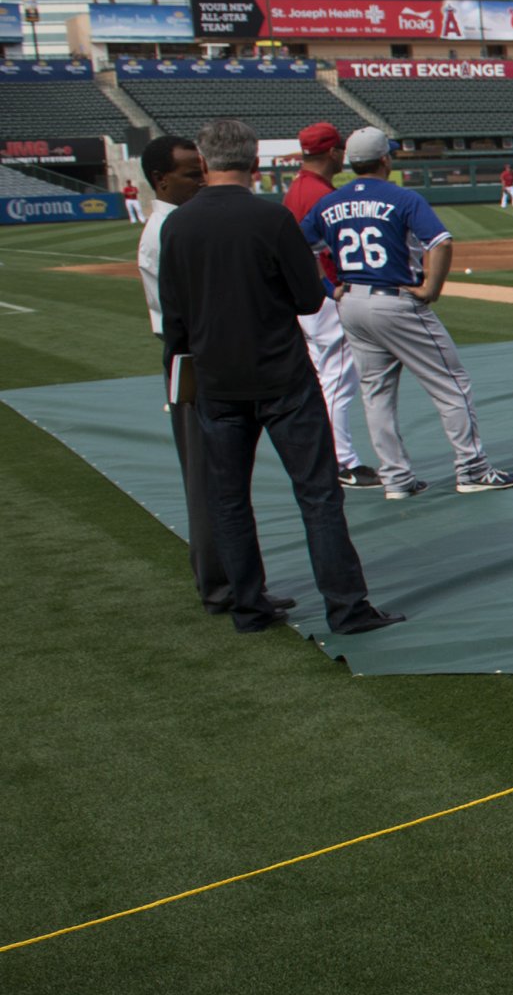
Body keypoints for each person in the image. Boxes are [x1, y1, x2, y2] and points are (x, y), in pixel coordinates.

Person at [154, 116, 396, 636]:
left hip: (217, 380)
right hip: (282, 374)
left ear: (203, 161)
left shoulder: (178, 224)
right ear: (255, 159)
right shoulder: (270, 219)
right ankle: (347, 607)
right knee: (317, 495)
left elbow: (174, 318)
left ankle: (249, 606)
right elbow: (309, 298)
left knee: (230, 498)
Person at [305, 127, 513, 497]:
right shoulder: (402, 197)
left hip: (352, 304)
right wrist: (431, 290)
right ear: (385, 160)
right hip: (395, 301)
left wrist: (329, 288)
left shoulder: (330, 202)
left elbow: (300, 246)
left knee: (376, 394)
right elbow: (440, 241)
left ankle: (396, 480)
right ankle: (472, 470)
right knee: (451, 384)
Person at [132, 133, 234, 613]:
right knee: (206, 480)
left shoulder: (182, 223)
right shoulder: (164, 231)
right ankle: (220, 585)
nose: (202, 180)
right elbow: (180, 319)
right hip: (192, 361)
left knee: (220, 478)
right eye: (191, 174)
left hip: (202, 356)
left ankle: (230, 579)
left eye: (202, 170)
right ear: (161, 179)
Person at [280, 120, 378, 489]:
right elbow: (317, 253)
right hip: (324, 299)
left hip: (310, 297)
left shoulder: (301, 186)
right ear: (333, 152)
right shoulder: (318, 193)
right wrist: (332, 288)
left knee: (328, 377)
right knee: (337, 380)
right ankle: (341, 462)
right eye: (340, 150)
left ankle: (329, 456)